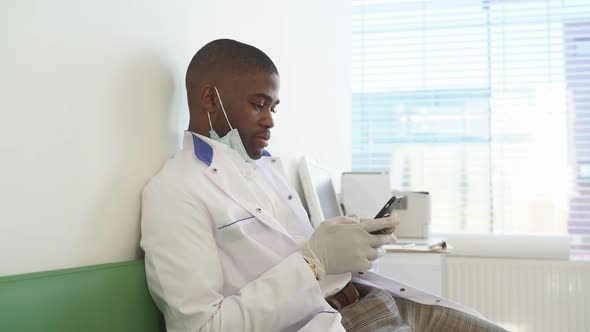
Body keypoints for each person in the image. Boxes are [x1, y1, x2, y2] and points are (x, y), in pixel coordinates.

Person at [140, 39, 507, 332]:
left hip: (371, 301)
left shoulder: (267, 170)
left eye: (274, 107)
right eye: (258, 104)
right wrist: (314, 263)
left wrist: (355, 245)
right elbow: (203, 327)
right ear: (209, 98)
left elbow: (305, 254)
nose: (269, 120)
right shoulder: (176, 192)